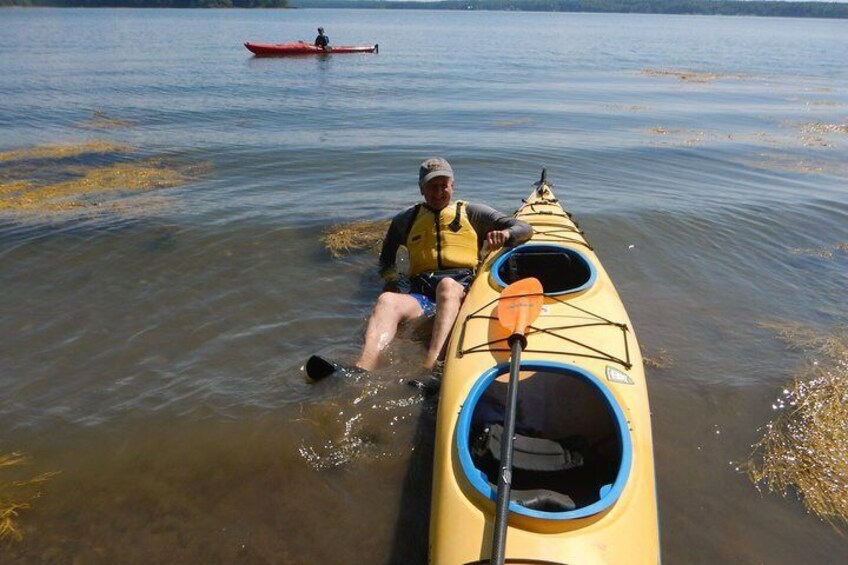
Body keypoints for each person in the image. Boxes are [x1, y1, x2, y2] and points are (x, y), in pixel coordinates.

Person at [306, 158, 532, 380]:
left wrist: (505, 234)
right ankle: (363, 366)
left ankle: (431, 368)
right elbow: (387, 262)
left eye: (443, 185)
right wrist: (392, 282)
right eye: (432, 186)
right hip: (422, 295)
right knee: (387, 300)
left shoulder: (473, 213)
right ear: (421, 189)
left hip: (460, 288)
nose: (438, 192)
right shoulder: (405, 220)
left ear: (453, 185)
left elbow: (524, 228)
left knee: (446, 286)